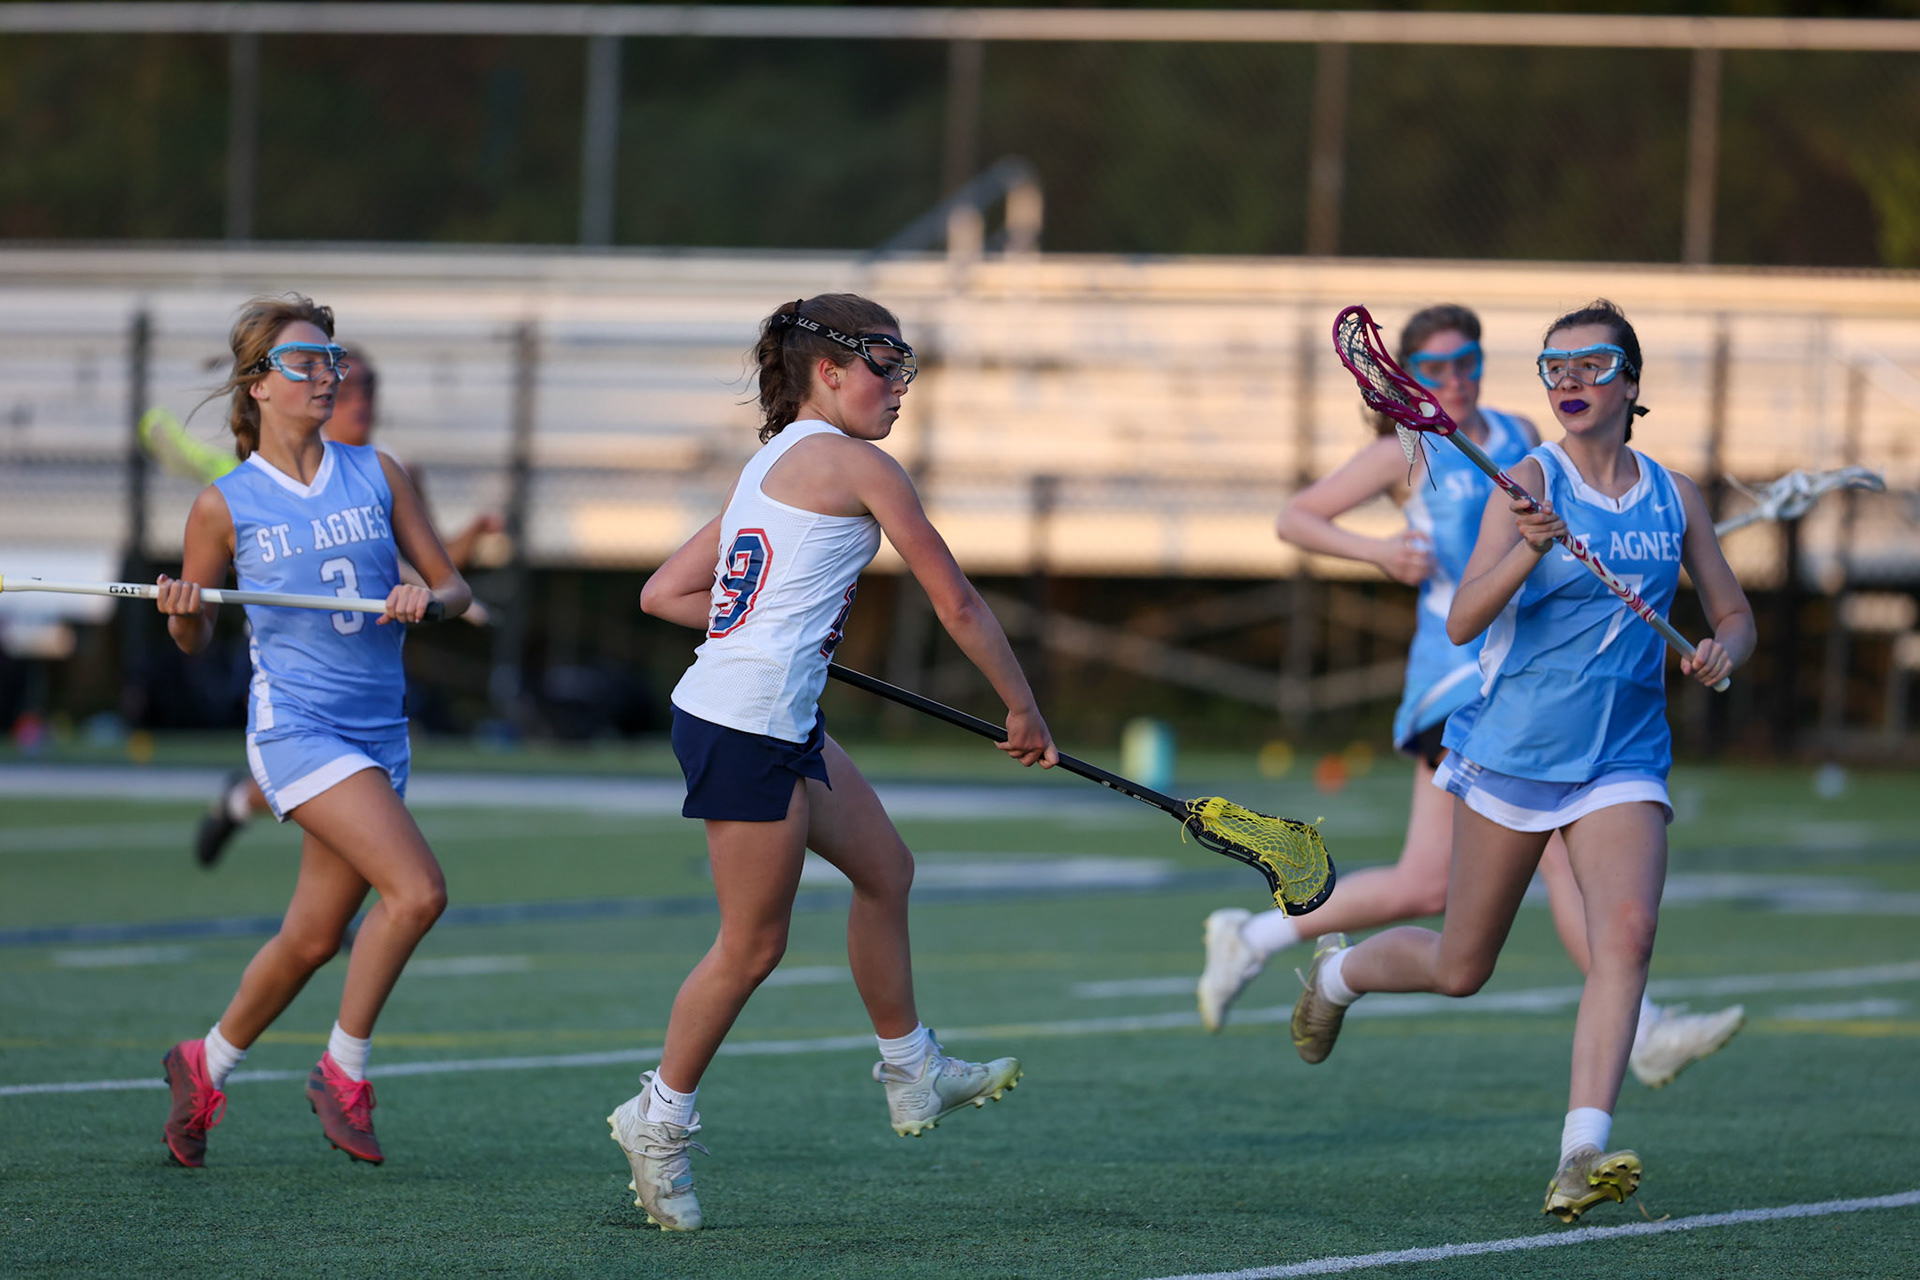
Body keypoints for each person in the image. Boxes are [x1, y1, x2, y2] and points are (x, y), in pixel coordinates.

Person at [1195, 304, 1743, 1092]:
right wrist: (1381, 552)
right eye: (1435, 369)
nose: (1454, 380)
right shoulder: (1407, 452)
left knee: (1452, 879)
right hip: (1457, 680)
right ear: (1408, 379)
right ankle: (1644, 1028)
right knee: (1535, 862)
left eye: (1468, 363)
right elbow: (1297, 518)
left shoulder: (1523, 435)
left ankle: (1260, 940)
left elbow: (1593, 500)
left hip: (1539, 680)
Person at [617, 294, 1056, 1232]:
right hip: (750, 723)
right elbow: (960, 605)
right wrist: (1021, 707)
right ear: (829, 370)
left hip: (771, 710)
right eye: (885, 368)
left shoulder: (768, 461)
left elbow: (665, 594)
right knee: (752, 947)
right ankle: (657, 1123)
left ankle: (912, 1070)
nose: (899, 389)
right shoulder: (863, 466)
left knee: (886, 870)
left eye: (905, 370)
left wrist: (775, 631)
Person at [154, 294, 471, 1167]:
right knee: (417, 892)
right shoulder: (224, 506)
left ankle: (204, 1064)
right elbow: (195, 634)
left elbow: (454, 589)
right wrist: (181, 611)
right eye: (305, 364)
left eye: (330, 361)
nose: (326, 376)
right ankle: (342, 1071)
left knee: (312, 938)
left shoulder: (378, 473)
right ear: (258, 385)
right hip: (299, 727)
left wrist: (425, 600)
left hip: (380, 731)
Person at [179, 344, 503, 867]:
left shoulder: (389, 469)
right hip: (300, 676)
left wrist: (469, 542)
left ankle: (243, 806)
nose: (358, 399)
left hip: (372, 676)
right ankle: (240, 801)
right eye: (348, 388)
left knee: (319, 927)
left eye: (367, 386)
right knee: (406, 882)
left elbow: (436, 569)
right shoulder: (284, 473)